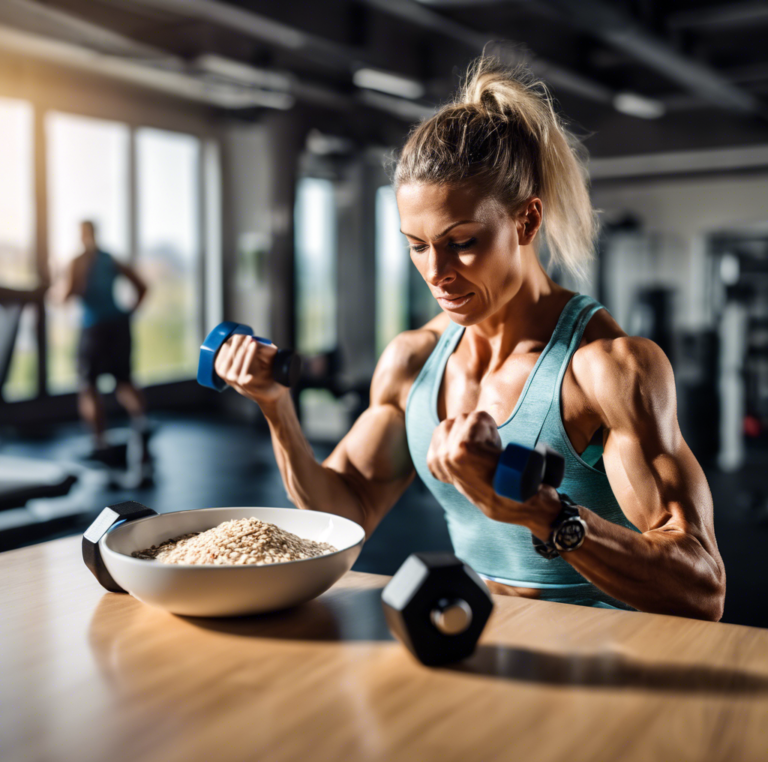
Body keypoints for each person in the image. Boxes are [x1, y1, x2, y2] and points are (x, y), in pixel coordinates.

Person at [214, 58, 725, 619]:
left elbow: (701, 587)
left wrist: (545, 515)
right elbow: (347, 511)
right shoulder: (413, 362)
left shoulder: (607, 370)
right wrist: (276, 408)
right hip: (483, 639)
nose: (436, 272)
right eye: (416, 245)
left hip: (611, 656)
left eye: (462, 241)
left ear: (526, 222)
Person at [63, 221, 148, 450]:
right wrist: (128, 312)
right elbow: (142, 286)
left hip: (94, 327)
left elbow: (68, 294)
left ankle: (99, 442)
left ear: (82, 235)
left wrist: (53, 292)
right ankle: (142, 424)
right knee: (124, 380)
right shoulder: (110, 259)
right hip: (118, 323)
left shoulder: (78, 262)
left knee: (89, 386)